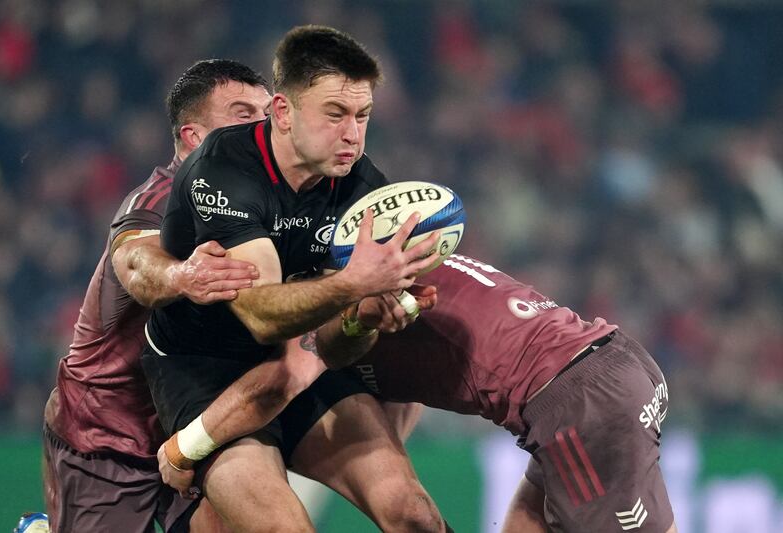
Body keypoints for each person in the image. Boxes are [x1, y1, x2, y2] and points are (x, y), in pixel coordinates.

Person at [142, 25, 449, 532]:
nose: (352, 134)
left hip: (298, 368)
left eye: (362, 116)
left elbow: (333, 345)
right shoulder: (223, 169)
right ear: (282, 113)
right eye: (335, 114)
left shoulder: (364, 187)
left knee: (413, 514)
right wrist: (353, 286)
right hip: (203, 372)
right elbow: (262, 317)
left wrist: (364, 318)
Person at [163, 253, 678, 533]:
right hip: (607, 367)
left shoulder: (342, 296)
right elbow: (410, 390)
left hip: (576, 401)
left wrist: (183, 448)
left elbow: (275, 383)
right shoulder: (398, 266)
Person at [42, 59, 270, 533]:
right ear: (193, 137)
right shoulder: (159, 200)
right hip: (109, 433)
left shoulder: (262, 206)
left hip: (193, 421)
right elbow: (136, 262)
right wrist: (184, 274)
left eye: (267, 115)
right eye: (244, 114)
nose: (263, 128)